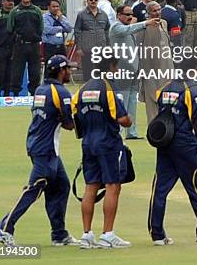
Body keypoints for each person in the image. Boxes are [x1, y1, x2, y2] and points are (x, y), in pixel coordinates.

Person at [0, 55, 78, 247]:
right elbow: (69, 124)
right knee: (35, 188)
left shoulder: (41, 89)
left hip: (39, 145)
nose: (70, 72)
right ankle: (4, 228)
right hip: (45, 149)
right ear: (60, 71)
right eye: (68, 69)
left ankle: (59, 234)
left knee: (61, 185)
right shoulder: (61, 92)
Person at [147, 59, 197, 246]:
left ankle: (157, 234)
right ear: (193, 70)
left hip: (165, 143)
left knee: (160, 189)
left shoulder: (165, 88)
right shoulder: (193, 90)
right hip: (185, 145)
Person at [72, 54, 132, 249]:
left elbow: (75, 117)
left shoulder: (82, 89)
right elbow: (123, 119)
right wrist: (127, 120)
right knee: (113, 186)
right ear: (111, 67)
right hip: (107, 143)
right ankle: (108, 234)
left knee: (91, 187)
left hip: (88, 143)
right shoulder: (108, 89)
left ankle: (87, 235)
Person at [109, 5, 160, 138]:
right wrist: (145, 23)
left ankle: (131, 132)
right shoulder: (116, 27)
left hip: (133, 69)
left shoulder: (127, 27)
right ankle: (118, 132)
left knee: (132, 102)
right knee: (123, 102)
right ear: (118, 15)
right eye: (127, 14)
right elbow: (128, 29)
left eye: (131, 14)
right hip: (122, 70)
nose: (130, 16)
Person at [136, 1, 173, 124]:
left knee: (167, 99)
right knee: (152, 101)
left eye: (159, 10)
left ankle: (167, 127)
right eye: (154, 11)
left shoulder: (164, 23)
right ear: (148, 13)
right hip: (150, 68)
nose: (157, 13)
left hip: (166, 67)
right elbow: (140, 48)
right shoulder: (143, 26)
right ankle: (154, 129)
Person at [8, 0, 44, 96]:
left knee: (35, 73)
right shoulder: (14, 11)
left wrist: (35, 36)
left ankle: (34, 96)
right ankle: (15, 95)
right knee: (17, 72)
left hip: (34, 46)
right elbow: (10, 28)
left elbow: (41, 27)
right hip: (20, 46)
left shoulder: (37, 10)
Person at [74, 0, 110, 81]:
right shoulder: (81, 15)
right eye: (91, 0)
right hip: (87, 49)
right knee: (88, 74)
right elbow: (77, 32)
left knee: (101, 74)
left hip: (101, 49)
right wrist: (78, 48)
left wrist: (109, 47)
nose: (93, 1)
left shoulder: (104, 14)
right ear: (87, 1)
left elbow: (107, 31)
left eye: (95, 0)